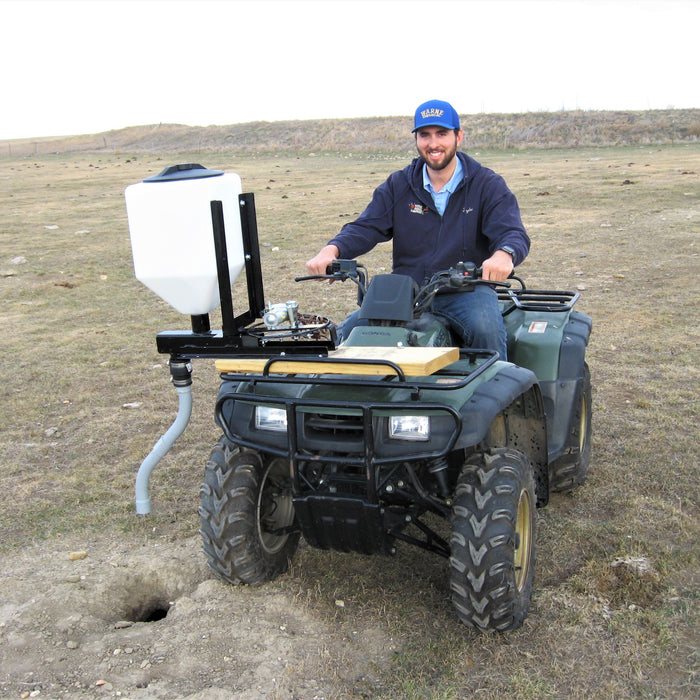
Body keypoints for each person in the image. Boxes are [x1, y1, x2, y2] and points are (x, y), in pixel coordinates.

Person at [305, 99, 530, 360]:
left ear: (459, 137)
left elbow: (513, 232)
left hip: (465, 290)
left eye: (442, 134)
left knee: (486, 331)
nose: (433, 144)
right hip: (406, 292)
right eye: (425, 135)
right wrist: (331, 250)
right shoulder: (400, 184)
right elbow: (366, 226)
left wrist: (504, 255)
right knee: (350, 333)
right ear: (416, 139)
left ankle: (497, 397)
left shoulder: (486, 184)